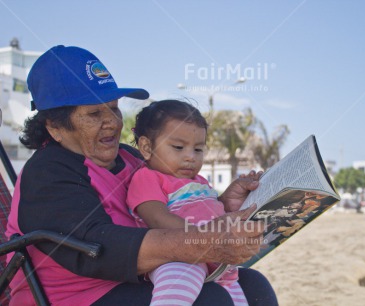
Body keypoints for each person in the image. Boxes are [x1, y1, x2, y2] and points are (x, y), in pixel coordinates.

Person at [5, 45, 278, 305]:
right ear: (55, 127)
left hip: (141, 278)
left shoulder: (131, 157)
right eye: (94, 113)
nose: (112, 121)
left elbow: (176, 203)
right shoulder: (47, 172)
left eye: (113, 107)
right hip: (75, 296)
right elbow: (98, 248)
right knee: (210, 300)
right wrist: (202, 242)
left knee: (254, 285)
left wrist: (224, 204)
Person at [126, 100, 249, 306]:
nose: (190, 157)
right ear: (146, 147)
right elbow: (157, 218)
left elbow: (209, 213)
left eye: (198, 150)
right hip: (177, 259)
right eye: (178, 147)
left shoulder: (199, 182)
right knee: (175, 296)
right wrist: (202, 239)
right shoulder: (147, 177)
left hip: (217, 261)